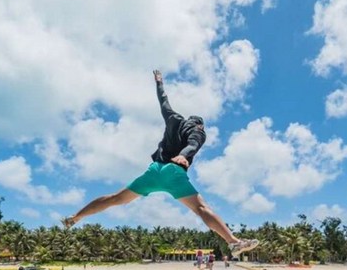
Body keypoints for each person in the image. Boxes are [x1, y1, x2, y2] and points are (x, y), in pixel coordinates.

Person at [61, 70, 259, 258]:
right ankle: (232, 241)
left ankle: (76, 216)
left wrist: (159, 82)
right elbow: (193, 143)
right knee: (201, 209)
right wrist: (183, 155)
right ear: (199, 124)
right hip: (174, 173)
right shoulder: (197, 129)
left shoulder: (173, 118)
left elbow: (163, 100)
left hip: (154, 171)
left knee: (116, 198)